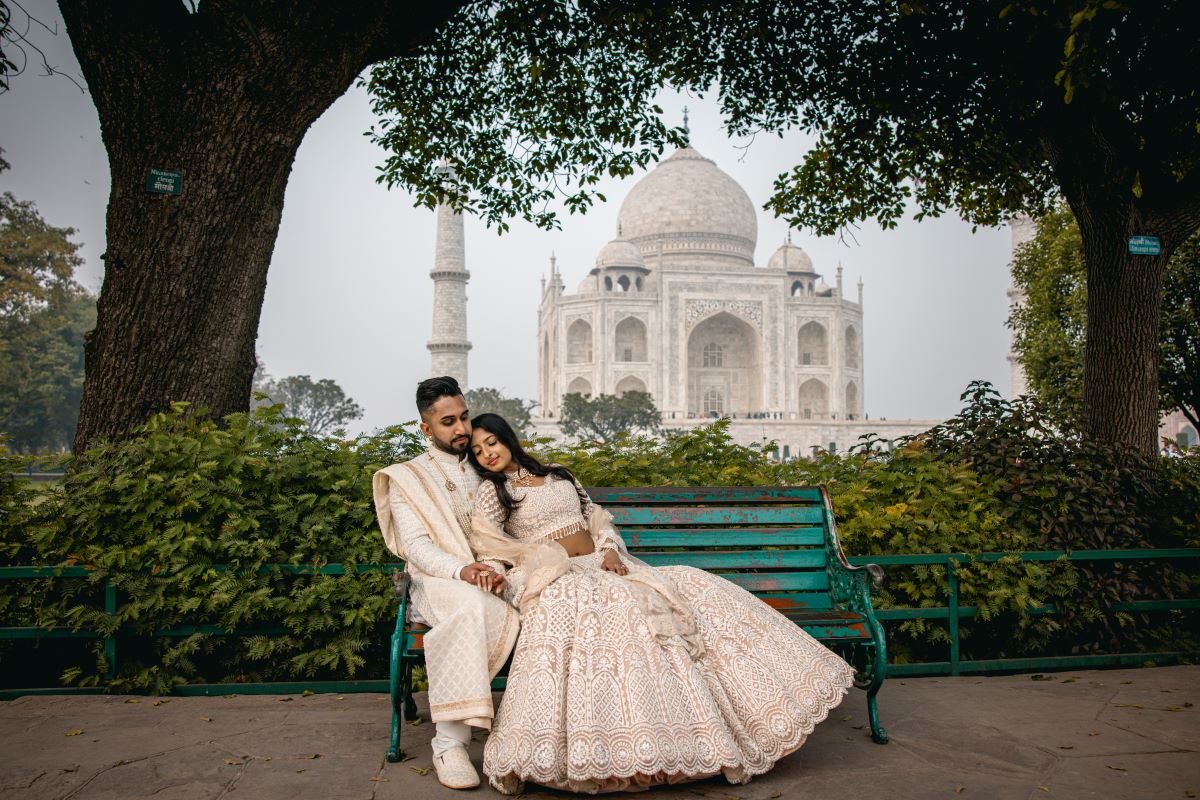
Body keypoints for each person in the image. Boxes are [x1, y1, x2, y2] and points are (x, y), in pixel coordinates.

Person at [465, 413, 856, 795]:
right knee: (617, 610)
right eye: (478, 451)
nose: (488, 454)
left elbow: (596, 517)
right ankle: (626, 751)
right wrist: (521, 571)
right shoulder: (495, 491)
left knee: (691, 584)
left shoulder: (559, 473)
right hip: (561, 576)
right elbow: (490, 544)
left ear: (507, 438)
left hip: (606, 564)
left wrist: (610, 551)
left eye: (492, 442)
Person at [371, 378, 519, 790]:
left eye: (465, 417)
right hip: (437, 582)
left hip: (494, 576)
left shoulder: (485, 463)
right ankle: (449, 743)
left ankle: (522, 730)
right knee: (469, 608)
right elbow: (416, 547)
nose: (461, 429)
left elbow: (513, 527)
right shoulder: (407, 478)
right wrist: (463, 571)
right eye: (448, 421)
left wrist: (491, 567)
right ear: (426, 428)